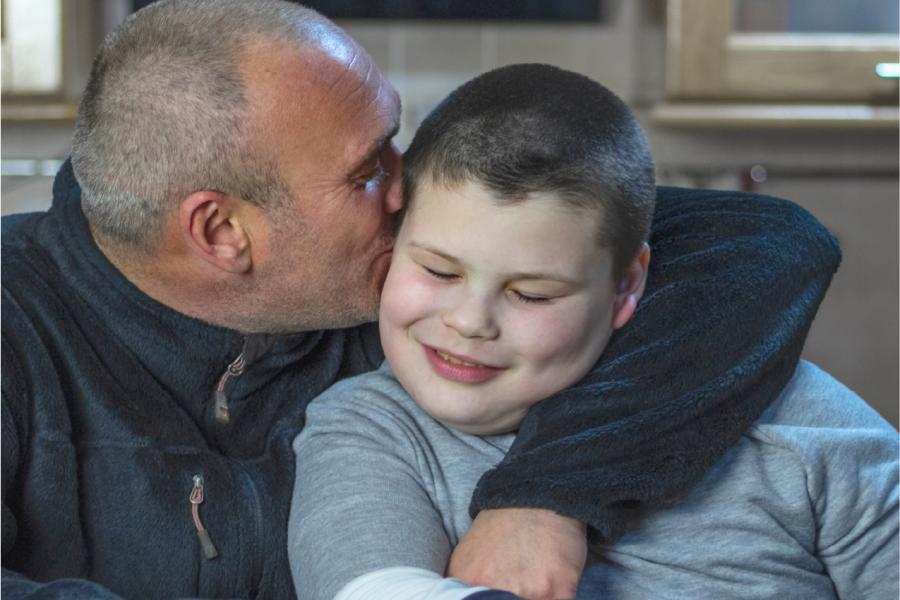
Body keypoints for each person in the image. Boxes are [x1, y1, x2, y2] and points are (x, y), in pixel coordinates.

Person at [1, 1, 841, 599]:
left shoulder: (415, 287)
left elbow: (764, 246)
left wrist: (549, 491)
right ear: (223, 232)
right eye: (370, 169)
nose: (409, 192)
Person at [288, 64, 899, 600]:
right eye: (438, 270)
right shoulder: (367, 428)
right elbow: (374, 587)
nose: (470, 321)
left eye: (531, 293)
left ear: (626, 287)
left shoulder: (801, 424)